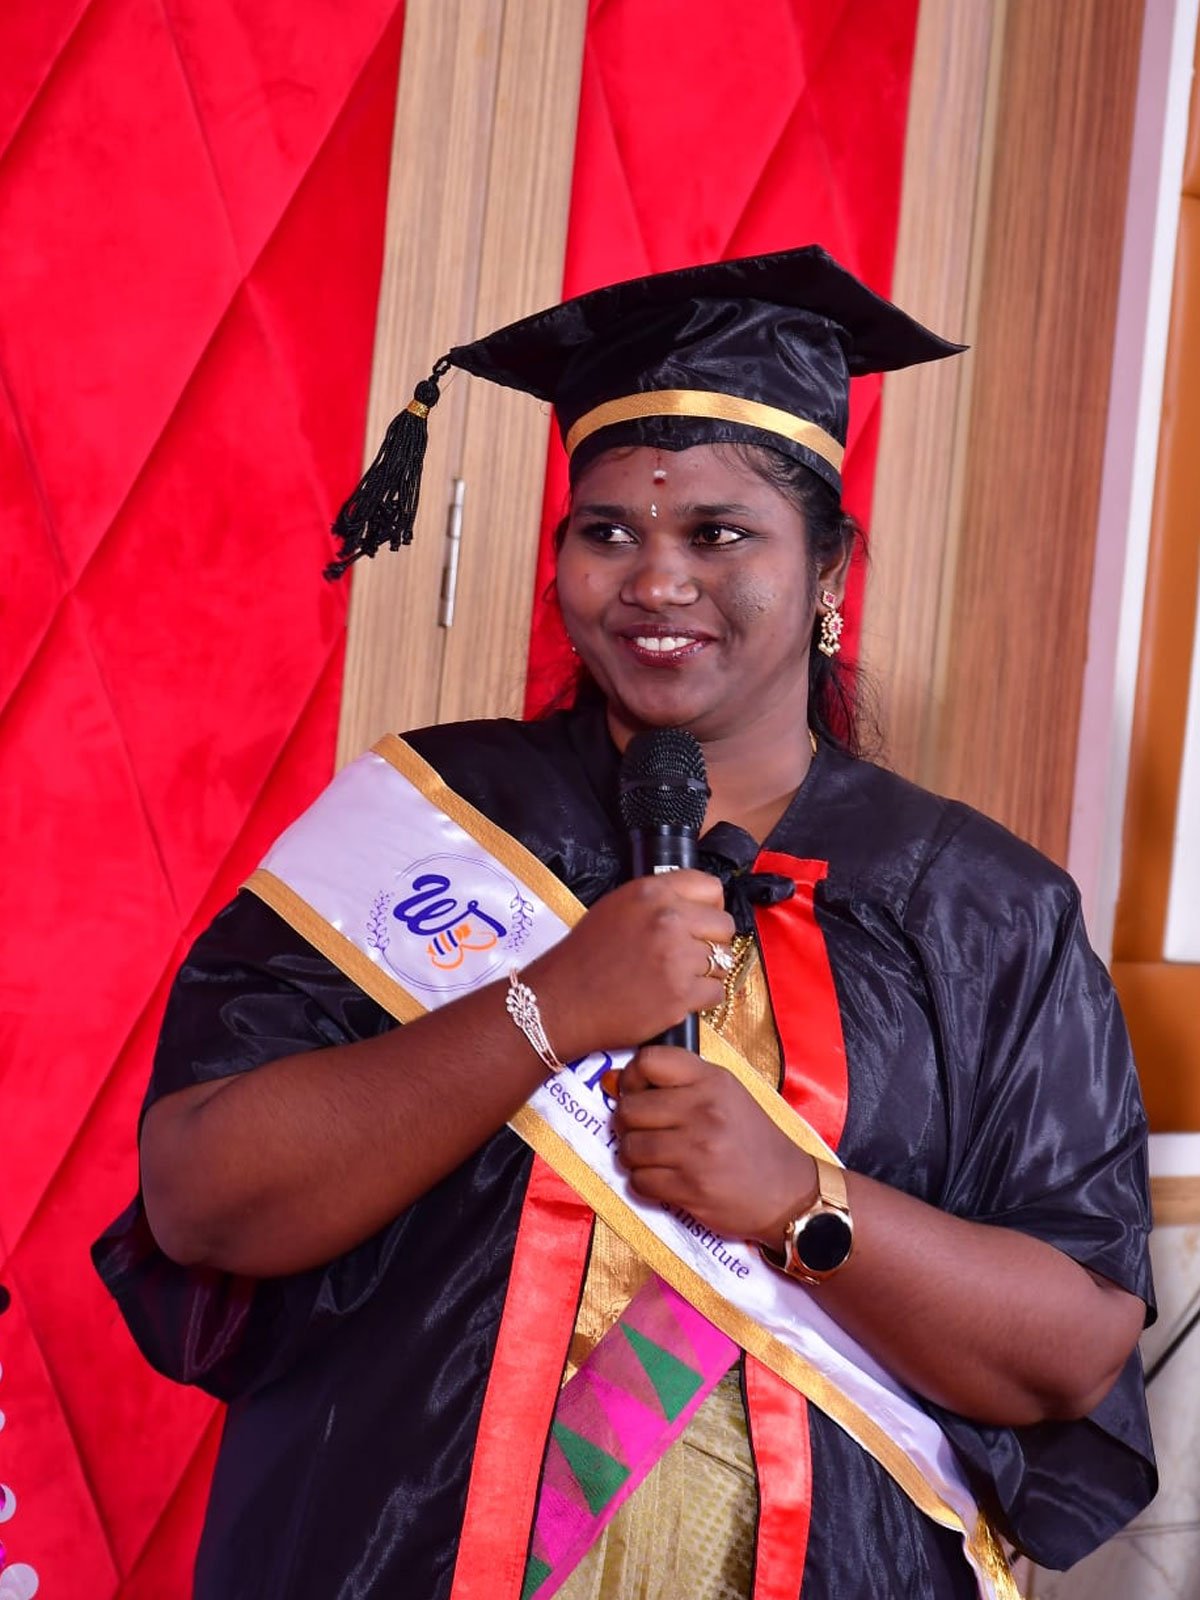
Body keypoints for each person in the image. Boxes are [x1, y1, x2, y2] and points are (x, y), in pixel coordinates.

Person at [94, 246, 1156, 1600]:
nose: (656, 580)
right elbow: (201, 1201)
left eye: (719, 535)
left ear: (829, 568)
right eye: (607, 533)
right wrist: (545, 1011)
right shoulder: (433, 819)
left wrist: (804, 1202)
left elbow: (1072, 1345)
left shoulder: (978, 907)